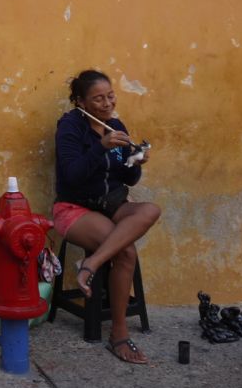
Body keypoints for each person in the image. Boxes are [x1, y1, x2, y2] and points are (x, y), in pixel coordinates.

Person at [52, 69, 161, 364]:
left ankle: (92, 263)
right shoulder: (70, 127)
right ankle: (120, 335)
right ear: (81, 102)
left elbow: (128, 178)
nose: (107, 104)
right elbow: (72, 175)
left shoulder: (115, 125)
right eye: (98, 99)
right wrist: (100, 148)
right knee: (126, 252)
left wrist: (136, 160)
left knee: (151, 209)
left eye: (110, 96)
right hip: (75, 207)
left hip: (111, 205)